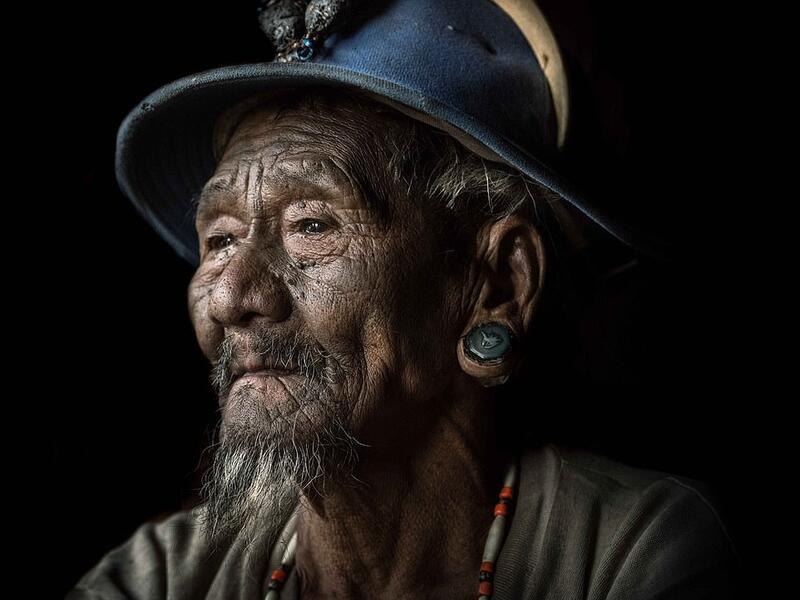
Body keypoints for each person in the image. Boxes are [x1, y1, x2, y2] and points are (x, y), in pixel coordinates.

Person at [67, 1, 741, 598]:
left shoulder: (639, 557)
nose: (231, 298)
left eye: (311, 225)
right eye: (219, 239)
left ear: (497, 286)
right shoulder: (159, 578)